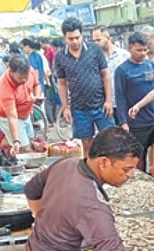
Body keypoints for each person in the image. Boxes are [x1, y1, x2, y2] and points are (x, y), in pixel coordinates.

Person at [23, 126, 150, 251]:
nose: (130, 175)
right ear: (103, 162)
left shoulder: (66, 163)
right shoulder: (92, 206)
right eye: (126, 169)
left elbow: (31, 190)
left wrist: (40, 218)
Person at [55, 17, 114, 157]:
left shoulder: (94, 49)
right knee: (86, 144)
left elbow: (106, 75)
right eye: (71, 39)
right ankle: (90, 173)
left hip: (101, 106)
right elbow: (62, 83)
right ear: (64, 38)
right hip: (79, 109)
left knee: (111, 140)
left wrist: (109, 100)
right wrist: (65, 107)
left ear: (82, 35)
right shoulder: (60, 57)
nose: (75, 41)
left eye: (77, 37)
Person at [115, 32, 154, 172]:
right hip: (136, 123)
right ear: (129, 48)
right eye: (139, 50)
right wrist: (123, 122)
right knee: (138, 156)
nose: (143, 53)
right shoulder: (122, 70)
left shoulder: (151, 65)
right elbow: (120, 98)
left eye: (145, 50)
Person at [0, 56, 43, 154]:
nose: (24, 80)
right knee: (25, 149)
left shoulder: (29, 70)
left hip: (25, 114)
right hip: (8, 117)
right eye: (20, 78)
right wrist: (16, 140)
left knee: (31, 142)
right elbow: (12, 117)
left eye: (26, 77)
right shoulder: (4, 85)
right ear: (11, 72)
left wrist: (36, 96)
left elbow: (37, 84)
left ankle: (8, 142)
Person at [92, 25, 130, 125]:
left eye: (98, 40)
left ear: (108, 38)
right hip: (106, 105)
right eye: (94, 41)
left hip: (125, 104)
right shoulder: (94, 60)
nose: (96, 43)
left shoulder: (124, 56)